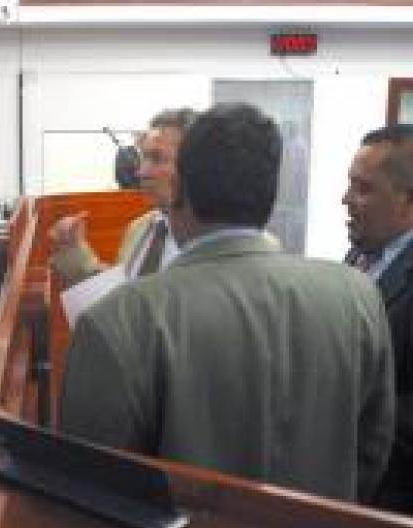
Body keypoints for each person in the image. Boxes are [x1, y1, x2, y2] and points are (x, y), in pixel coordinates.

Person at [59, 103, 395, 504]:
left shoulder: (118, 318)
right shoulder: (360, 296)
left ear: (180, 188)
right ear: (270, 191)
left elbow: (95, 487)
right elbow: (371, 453)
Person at [343, 124, 413, 513]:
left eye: (364, 189)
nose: (346, 199)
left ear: (408, 200)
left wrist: (344, 407)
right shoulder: (359, 254)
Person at [49, 108, 197, 289]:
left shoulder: (211, 239)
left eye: (157, 159)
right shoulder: (140, 227)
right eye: (144, 157)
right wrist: (73, 251)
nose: (141, 172)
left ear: (195, 164)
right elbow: (123, 293)